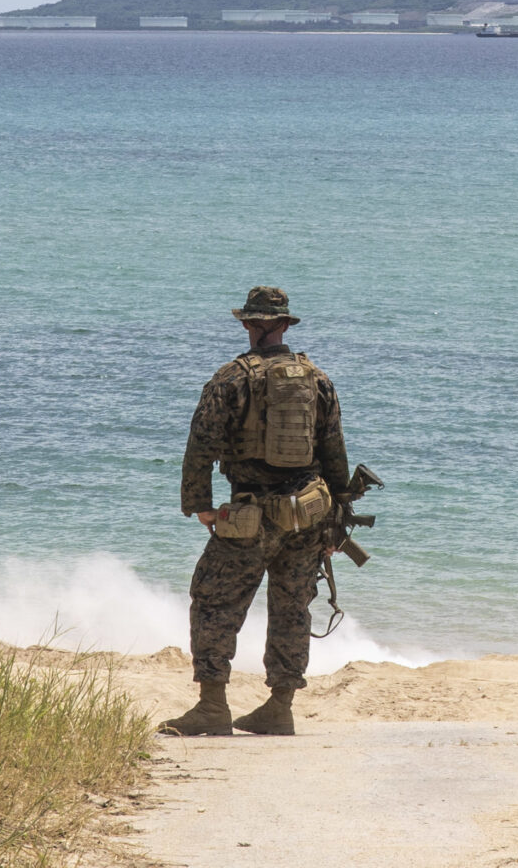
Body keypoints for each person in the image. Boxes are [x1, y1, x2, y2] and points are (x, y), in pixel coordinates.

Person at [159, 285, 352, 737]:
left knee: (213, 601)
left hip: (248, 517)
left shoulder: (230, 379)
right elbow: (335, 456)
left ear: (247, 325)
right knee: (292, 609)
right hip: (307, 516)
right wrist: (335, 520)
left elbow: (199, 448)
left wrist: (201, 507)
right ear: (285, 324)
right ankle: (279, 707)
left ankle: (212, 706)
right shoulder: (317, 379)